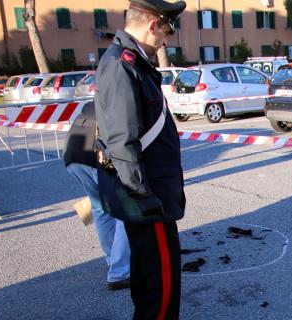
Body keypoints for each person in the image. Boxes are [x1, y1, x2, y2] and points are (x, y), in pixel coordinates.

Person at [94, 0, 187, 319]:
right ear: (152, 25)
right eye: (165, 31)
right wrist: (142, 195)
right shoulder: (123, 65)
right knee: (160, 289)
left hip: (150, 197)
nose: (165, 39)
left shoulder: (129, 62)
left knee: (151, 280)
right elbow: (122, 139)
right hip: (150, 201)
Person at [63, 101, 131, 291]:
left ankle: (113, 261)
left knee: (101, 210)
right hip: (95, 157)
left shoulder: (92, 104)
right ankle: (120, 272)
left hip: (73, 157)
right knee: (125, 213)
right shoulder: (118, 102)